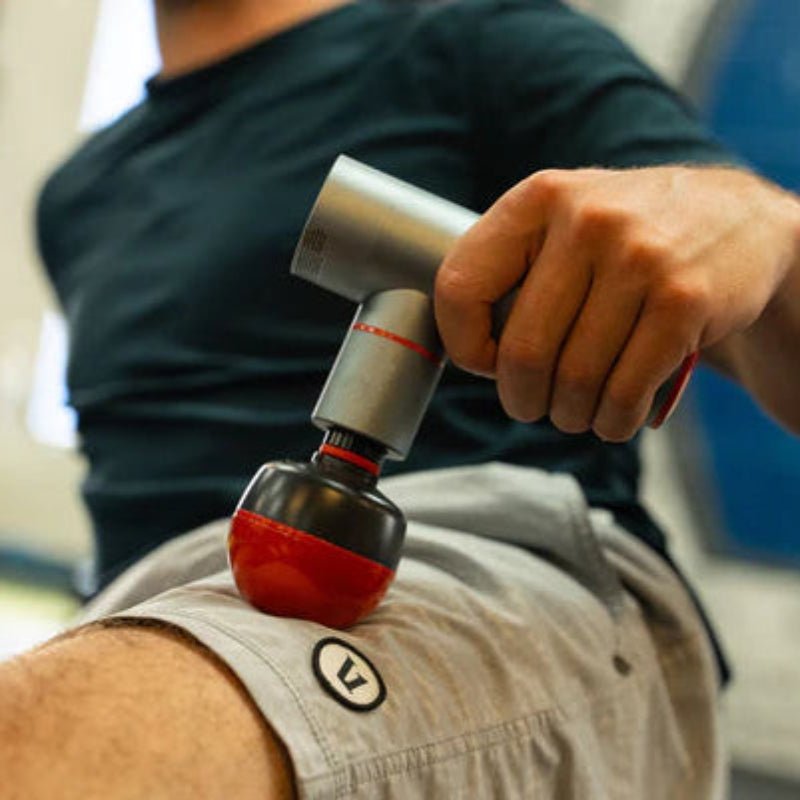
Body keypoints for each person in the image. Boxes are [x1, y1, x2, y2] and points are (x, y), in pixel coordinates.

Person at [3, 0, 799, 796]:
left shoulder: (481, 39)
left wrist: (769, 234)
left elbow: (738, 288)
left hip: (477, 561)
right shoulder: (78, 195)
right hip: (151, 607)